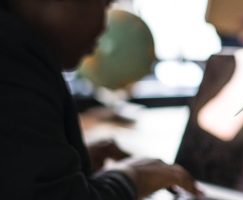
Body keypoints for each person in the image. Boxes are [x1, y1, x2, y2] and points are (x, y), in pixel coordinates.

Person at [0, 0, 199, 199]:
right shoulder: (12, 55)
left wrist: (65, 161)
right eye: (104, 4)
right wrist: (130, 178)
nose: (104, 27)